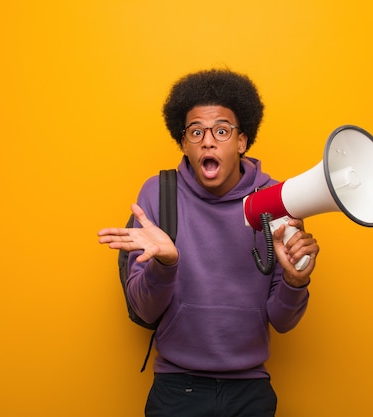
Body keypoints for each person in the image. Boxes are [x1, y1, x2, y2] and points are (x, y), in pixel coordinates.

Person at [98, 68, 320, 417]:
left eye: (221, 130)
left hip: (250, 391)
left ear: (242, 141)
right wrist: (164, 265)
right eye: (196, 132)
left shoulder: (277, 200)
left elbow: (283, 321)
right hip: (176, 388)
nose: (208, 141)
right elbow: (143, 310)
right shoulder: (159, 194)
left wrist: (295, 281)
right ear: (184, 143)